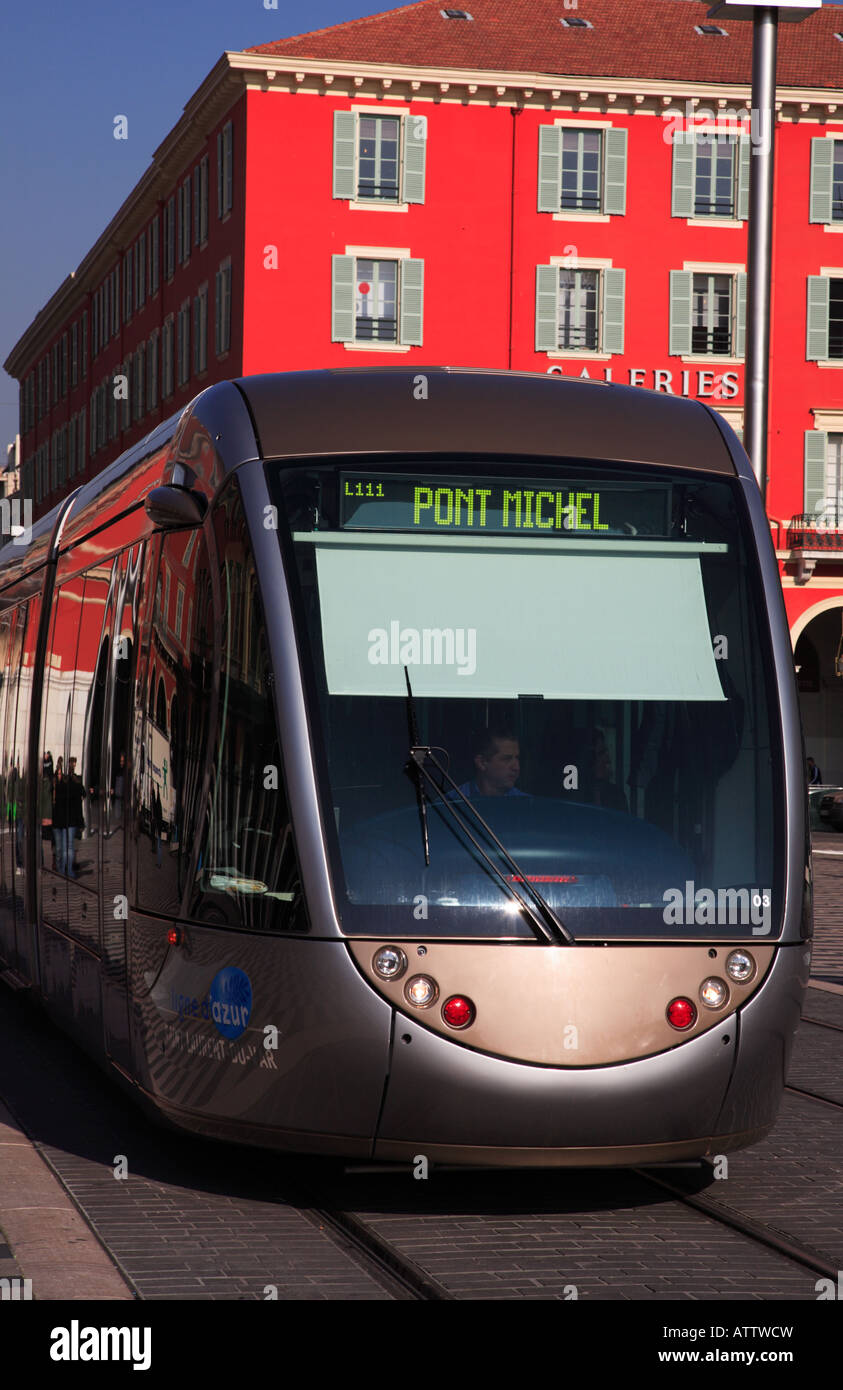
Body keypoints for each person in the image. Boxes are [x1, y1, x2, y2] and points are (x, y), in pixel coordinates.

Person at [455, 728, 530, 799]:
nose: (516, 768)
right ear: (481, 763)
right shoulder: (451, 803)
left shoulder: (528, 805)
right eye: (507, 759)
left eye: (517, 758)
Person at [588, 729, 629, 814]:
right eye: (600, 754)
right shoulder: (577, 794)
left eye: (605, 753)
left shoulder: (616, 795)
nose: (607, 760)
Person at [67, 757, 86, 876]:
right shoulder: (77, 783)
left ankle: (70, 865)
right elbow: (84, 794)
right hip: (75, 818)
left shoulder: (68, 782)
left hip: (71, 817)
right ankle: (71, 865)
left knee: (71, 844)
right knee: (73, 844)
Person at [52, 757, 69, 876]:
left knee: (64, 848)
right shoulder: (53, 788)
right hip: (56, 822)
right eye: (58, 774)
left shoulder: (64, 786)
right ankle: (58, 867)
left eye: (60, 774)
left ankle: (62, 869)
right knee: (58, 848)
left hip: (64, 821)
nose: (59, 776)